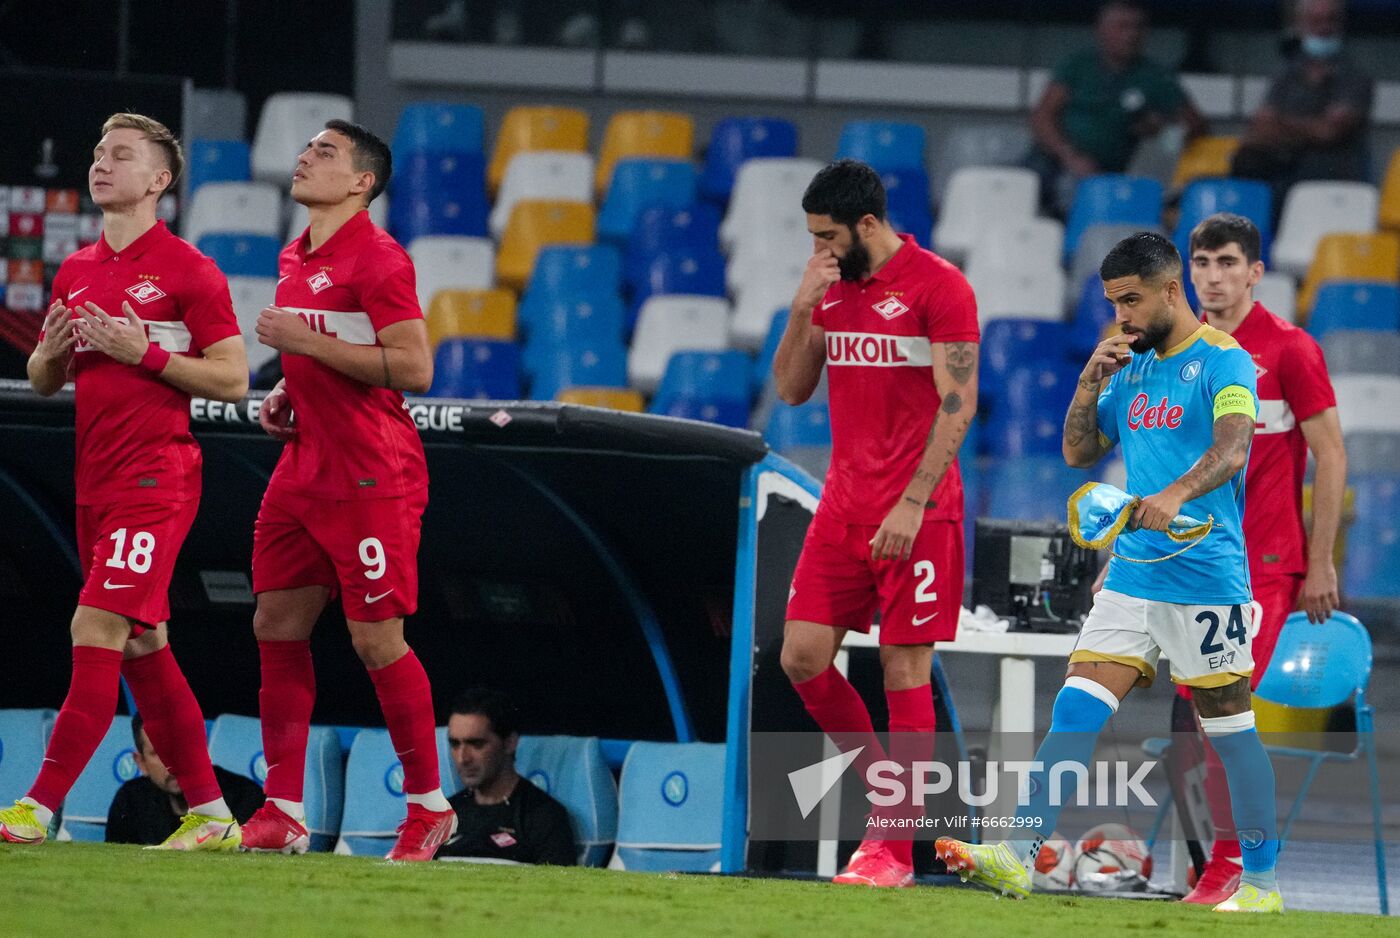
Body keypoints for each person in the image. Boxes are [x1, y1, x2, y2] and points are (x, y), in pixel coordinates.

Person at [935, 232, 1284, 914]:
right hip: (1132, 575)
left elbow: (1234, 447)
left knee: (1231, 731)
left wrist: (1177, 494)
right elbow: (1077, 450)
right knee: (1075, 705)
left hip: (1207, 578)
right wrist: (1090, 377)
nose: (1121, 316)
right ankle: (1015, 855)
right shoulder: (1129, 368)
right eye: (1113, 303)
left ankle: (1263, 886)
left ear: (1169, 290)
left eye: (1131, 301)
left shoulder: (1225, 360)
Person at [0, 113, 249, 851]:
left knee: (96, 627)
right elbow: (44, 380)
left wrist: (146, 354)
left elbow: (234, 378)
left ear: (159, 181)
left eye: (121, 155)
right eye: (98, 151)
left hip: (155, 478)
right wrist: (46, 354)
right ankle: (209, 813)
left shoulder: (189, 271)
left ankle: (37, 807)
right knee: (143, 645)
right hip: (95, 485)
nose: (102, 163)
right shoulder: (77, 270)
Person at [238, 120, 451, 861]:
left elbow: (414, 368)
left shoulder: (380, 258)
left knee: (374, 639)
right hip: (304, 465)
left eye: (325, 152)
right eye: (306, 148)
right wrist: (293, 393)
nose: (304, 157)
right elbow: (332, 356)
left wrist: (304, 347)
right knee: (275, 622)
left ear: (363, 182)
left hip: (371, 472)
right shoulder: (296, 253)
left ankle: (427, 806)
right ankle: (283, 809)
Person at [772, 159, 980, 888]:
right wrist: (802, 308)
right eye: (812, 239)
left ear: (868, 224)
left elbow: (959, 403)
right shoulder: (829, 290)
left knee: (903, 666)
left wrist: (914, 500)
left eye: (828, 236)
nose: (820, 250)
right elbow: (793, 392)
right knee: (799, 657)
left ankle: (889, 849)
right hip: (843, 504)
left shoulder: (940, 287)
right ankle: (894, 802)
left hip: (917, 509)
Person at [1177, 212, 1343, 903]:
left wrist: (1322, 561)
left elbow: (1331, 455)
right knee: (1191, 721)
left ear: (1255, 272)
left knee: (1222, 711)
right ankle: (1218, 863)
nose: (1212, 277)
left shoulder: (1290, 351)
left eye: (1225, 263)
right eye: (1202, 264)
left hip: (1265, 566)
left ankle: (1231, 866)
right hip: (1190, 562)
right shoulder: (1181, 350)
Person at [1026, 0, 1207, 215]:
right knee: (1024, 182)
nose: (1131, 35)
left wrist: (1162, 128)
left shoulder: (1155, 76)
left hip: (1120, 172)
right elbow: (1042, 117)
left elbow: (1196, 125)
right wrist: (1071, 157)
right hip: (1059, 160)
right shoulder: (1077, 65)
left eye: (1138, 27)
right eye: (1123, 26)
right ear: (1102, 29)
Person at [1232, 0, 1373, 214]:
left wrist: (1281, 124)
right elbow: (1260, 128)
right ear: (1300, 26)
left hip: (1333, 178)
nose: (1324, 28)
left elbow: (1329, 132)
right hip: (1282, 172)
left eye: (1331, 20)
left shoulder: (1355, 75)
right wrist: (1309, 127)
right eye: (1315, 21)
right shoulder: (1286, 71)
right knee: (1245, 166)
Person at [436, 689, 576, 865]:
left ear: (510, 743)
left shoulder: (543, 817)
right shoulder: (441, 815)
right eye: (455, 744)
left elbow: (559, 889)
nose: (463, 758)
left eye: (476, 744)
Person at [106, 712, 265, 846]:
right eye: (159, 753)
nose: (172, 763)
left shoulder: (246, 797)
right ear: (141, 763)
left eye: (180, 748)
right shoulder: (130, 801)